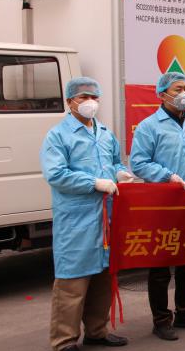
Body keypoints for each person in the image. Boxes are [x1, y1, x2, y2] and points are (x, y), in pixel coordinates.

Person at [40, 77, 130, 351]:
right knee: (73, 282)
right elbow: (56, 174)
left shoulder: (104, 133)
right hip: (76, 220)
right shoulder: (58, 136)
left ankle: (97, 331)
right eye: (83, 97)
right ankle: (64, 340)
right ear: (70, 102)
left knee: (103, 277)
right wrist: (93, 183)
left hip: (106, 217)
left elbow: (115, 162)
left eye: (94, 97)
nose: (90, 102)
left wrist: (120, 173)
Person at [130, 72, 185, 341]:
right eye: (178, 89)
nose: (184, 94)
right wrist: (166, 176)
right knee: (161, 265)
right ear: (162, 94)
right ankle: (161, 320)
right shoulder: (149, 126)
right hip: (163, 205)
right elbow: (139, 163)